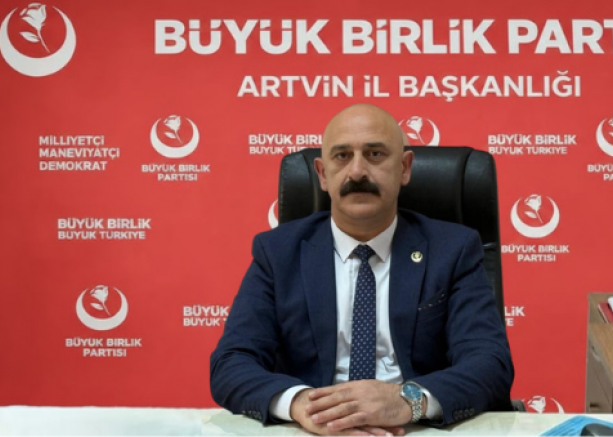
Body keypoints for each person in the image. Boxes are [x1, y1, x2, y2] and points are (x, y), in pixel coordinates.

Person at [209, 103, 514, 436]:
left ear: (404, 168)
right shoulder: (278, 252)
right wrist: (305, 406)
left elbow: (489, 363)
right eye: (342, 156)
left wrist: (407, 400)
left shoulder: (452, 249)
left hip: (415, 428)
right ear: (322, 174)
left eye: (375, 154)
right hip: (314, 430)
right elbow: (231, 363)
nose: (357, 172)